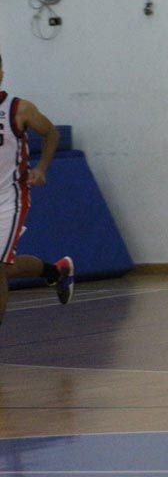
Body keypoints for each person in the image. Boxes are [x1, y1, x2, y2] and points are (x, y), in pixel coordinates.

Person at [0, 52, 73, 328]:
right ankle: (55, 271)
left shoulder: (18, 108)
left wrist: (41, 167)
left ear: (1, 74)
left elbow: (51, 132)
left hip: (10, 199)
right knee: (7, 267)